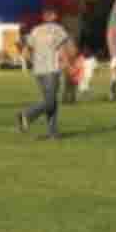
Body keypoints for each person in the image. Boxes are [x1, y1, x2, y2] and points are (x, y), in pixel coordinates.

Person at [18, 9, 73, 139]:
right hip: (51, 69)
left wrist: (33, 62)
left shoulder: (36, 30)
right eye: (55, 14)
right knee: (50, 101)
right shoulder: (58, 29)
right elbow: (62, 49)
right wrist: (67, 65)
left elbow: (26, 51)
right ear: (53, 16)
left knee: (51, 101)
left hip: (39, 71)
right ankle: (27, 115)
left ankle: (53, 133)